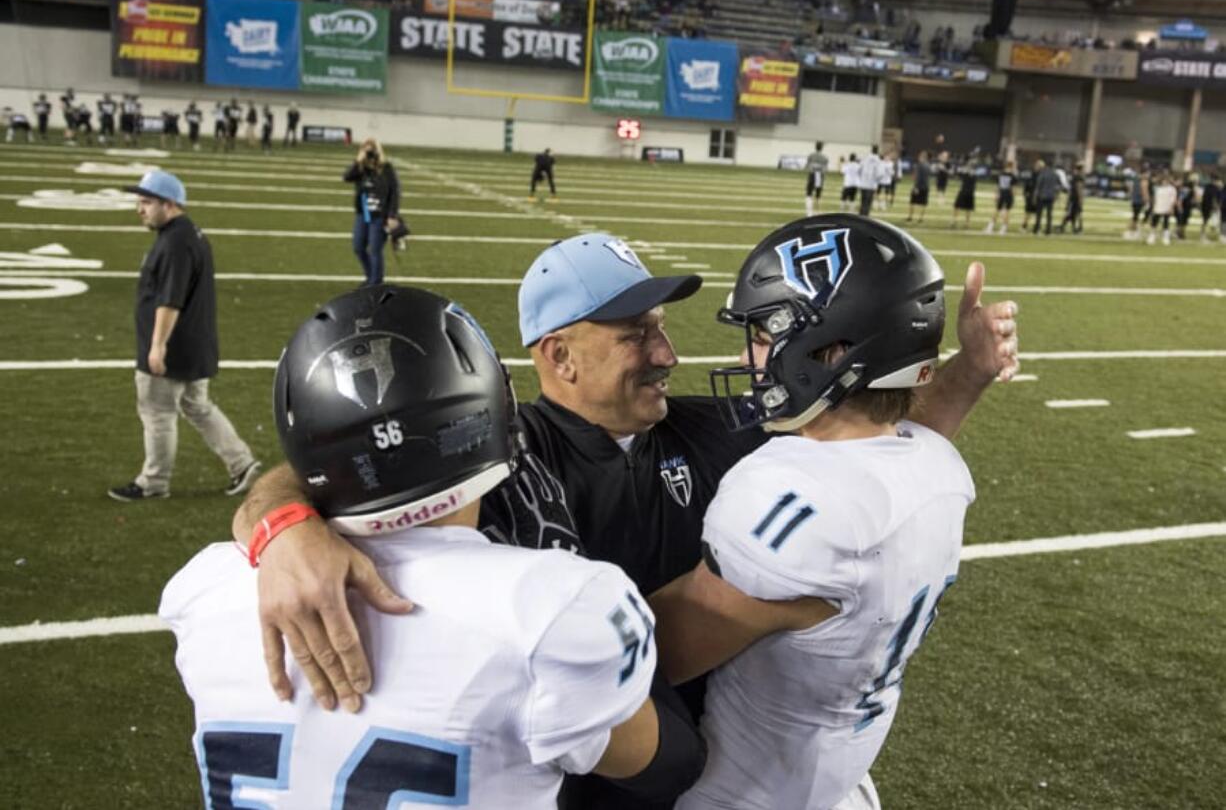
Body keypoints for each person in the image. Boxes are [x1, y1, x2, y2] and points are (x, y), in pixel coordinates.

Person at [231, 229, 1017, 735]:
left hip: (707, 749)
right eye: (635, 334)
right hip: (584, 760)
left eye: (664, 328)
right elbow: (340, 465)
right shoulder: (494, 455)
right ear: (558, 357)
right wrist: (285, 527)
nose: (666, 353)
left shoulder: (716, 425)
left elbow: (868, 460)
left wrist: (968, 373)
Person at [161, 285, 704, 809]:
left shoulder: (202, 591)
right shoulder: (545, 606)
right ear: (491, 411)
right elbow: (665, 764)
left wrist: (283, 517)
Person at [651, 215, 972, 810]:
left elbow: (650, 655)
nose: (751, 355)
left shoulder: (793, 495)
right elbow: (892, 451)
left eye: (767, 333)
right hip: (836, 782)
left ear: (832, 350)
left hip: (740, 794)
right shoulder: (936, 468)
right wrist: (972, 369)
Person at [107, 170, 260, 502]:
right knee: (198, 406)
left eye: (146, 202)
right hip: (193, 345)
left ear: (170, 203)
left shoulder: (177, 242)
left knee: (158, 413)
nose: (140, 209)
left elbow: (170, 298)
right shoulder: (186, 235)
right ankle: (242, 462)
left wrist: (157, 346)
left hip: (173, 348)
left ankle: (153, 482)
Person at [344, 138, 402, 285]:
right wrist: (358, 161)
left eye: (372, 150)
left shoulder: (386, 168)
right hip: (363, 214)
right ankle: (371, 276)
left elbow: (395, 192)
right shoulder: (361, 169)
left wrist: (392, 215)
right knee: (358, 247)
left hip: (380, 216)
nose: (370, 153)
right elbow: (346, 177)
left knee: (375, 249)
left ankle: (376, 282)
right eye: (366, 149)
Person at [986, 160, 1017, 234]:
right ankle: (1003, 229)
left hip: (1001, 193)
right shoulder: (1013, 176)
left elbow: (997, 186)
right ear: (1012, 166)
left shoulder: (1001, 174)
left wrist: (996, 194)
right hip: (1008, 194)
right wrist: (1013, 197)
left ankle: (990, 227)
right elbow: (1013, 189)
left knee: (997, 210)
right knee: (1007, 211)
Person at [1148, 171, 1176, 246]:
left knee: (1166, 223)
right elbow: (1155, 198)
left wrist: (1171, 208)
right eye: (1163, 180)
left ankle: (1165, 238)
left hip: (1166, 207)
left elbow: (1173, 199)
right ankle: (1152, 236)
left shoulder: (1172, 189)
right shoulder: (1158, 188)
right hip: (1158, 207)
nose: (1164, 182)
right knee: (1154, 222)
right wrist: (1154, 207)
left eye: (1166, 180)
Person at [1032, 159, 1059, 235]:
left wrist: (1034, 196)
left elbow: (1038, 186)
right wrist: (1056, 196)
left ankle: (1036, 229)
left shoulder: (1042, 173)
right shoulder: (1055, 174)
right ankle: (1048, 230)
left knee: (1039, 214)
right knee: (1049, 214)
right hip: (1051, 196)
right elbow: (1057, 186)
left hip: (1042, 196)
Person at [803, 140, 829, 216]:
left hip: (812, 175)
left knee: (809, 194)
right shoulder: (824, 158)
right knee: (818, 195)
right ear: (822, 148)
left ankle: (809, 213)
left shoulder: (811, 156)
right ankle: (817, 212)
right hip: (820, 176)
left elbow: (807, 166)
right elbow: (825, 170)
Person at [1059, 163, 1085, 234]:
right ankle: (1078, 228)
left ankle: (1065, 226)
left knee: (1072, 214)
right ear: (1081, 169)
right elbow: (1078, 188)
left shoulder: (1075, 176)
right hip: (1075, 199)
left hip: (1072, 198)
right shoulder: (1079, 177)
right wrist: (1080, 199)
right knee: (1076, 213)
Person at [952, 156, 977, 229]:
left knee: (957, 206)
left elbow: (957, 174)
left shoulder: (966, 171)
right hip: (971, 192)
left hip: (964, 191)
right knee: (968, 209)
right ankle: (967, 223)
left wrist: (959, 165)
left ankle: (954, 221)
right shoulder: (974, 172)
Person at [857, 145, 882, 217]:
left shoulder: (865, 158)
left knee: (862, 202)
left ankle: (860, 217)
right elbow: (879, 174)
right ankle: (865, 217)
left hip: (863, 184)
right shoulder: (878, 160)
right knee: (868, 203)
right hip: (871, 185)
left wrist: (861, 178)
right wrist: (876, 180)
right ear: (877, 151)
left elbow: (859, 170)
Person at [907, 150, 931, 223]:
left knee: (912, 202)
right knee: (923, 203)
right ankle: (921, 218)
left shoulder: (919, 165)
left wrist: (916, 187)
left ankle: (910, 217)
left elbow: (918, 177)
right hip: (926, 186)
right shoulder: (928, 165)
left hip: (919, 186)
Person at [1127, 167, 1149, 239]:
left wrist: (1132, 197)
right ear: (1144, 173)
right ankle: (1133, 231)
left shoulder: (1135, 179)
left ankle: (1131, 231)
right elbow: (1144, 192)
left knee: (1134, 216)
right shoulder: (1143, 181)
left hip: (1134, 199)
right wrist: (1146, 201)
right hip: (1139, 200)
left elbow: (1130, 189)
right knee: (1137, 216)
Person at [1198, 173, 1220, 242]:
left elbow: (1203, 196)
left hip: (1204, 205)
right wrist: (1216, 207)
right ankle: (1203, 235)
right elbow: (1214, 198)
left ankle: (1202, 235)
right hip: (1209, 206)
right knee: (1207, 221)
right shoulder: (1215, 188)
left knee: (1205, 221)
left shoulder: (1206, 186)